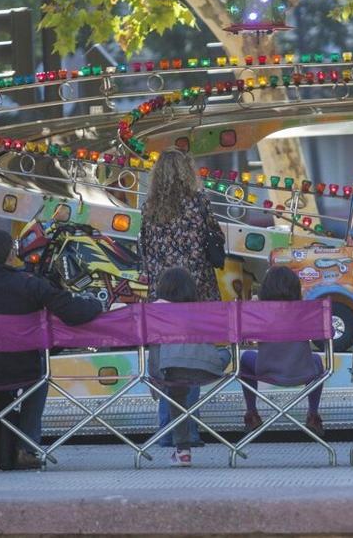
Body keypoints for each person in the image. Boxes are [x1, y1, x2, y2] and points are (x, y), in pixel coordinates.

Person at [0, 229, 102, 471]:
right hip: (22, 369)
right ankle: (26, 447)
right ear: (11, 255)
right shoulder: (33, 286)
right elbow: (73, 313)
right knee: (41, 374)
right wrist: (97, 302)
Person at [138, 149, 224, 444]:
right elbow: (213, 238)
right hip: (196, 292)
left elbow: (145, 253)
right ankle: (188, 430)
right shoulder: (199, 202)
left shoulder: (148, 207)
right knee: (193, 360)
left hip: (163, 295)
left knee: (167, 362)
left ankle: (166, 429)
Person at [146, 267, 232, 467]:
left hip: (168, 369)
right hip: (205, 368)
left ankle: (183, 450)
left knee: (176, 391)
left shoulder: (153, 311)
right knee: (225, 352)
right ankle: (184, 447)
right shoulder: (202, 311)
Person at [239, 266, 325, 437]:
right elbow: (323, 341)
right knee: (316, 360)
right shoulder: (305, 312)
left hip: (265, 370)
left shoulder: (258, 312)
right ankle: (313, 414)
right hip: (302, 370)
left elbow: (242, 337)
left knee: (245, 358)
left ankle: (252, 413)